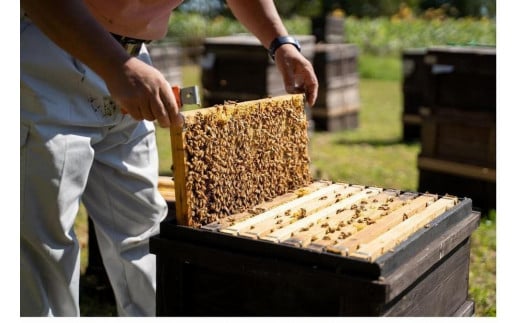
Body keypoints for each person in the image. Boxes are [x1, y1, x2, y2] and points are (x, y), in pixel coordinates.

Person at [20, 0, 318, 317]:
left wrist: (281, 42)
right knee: (42, 244)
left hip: (133, 58)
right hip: (52, 46)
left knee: (142, 232)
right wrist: (115, 65)